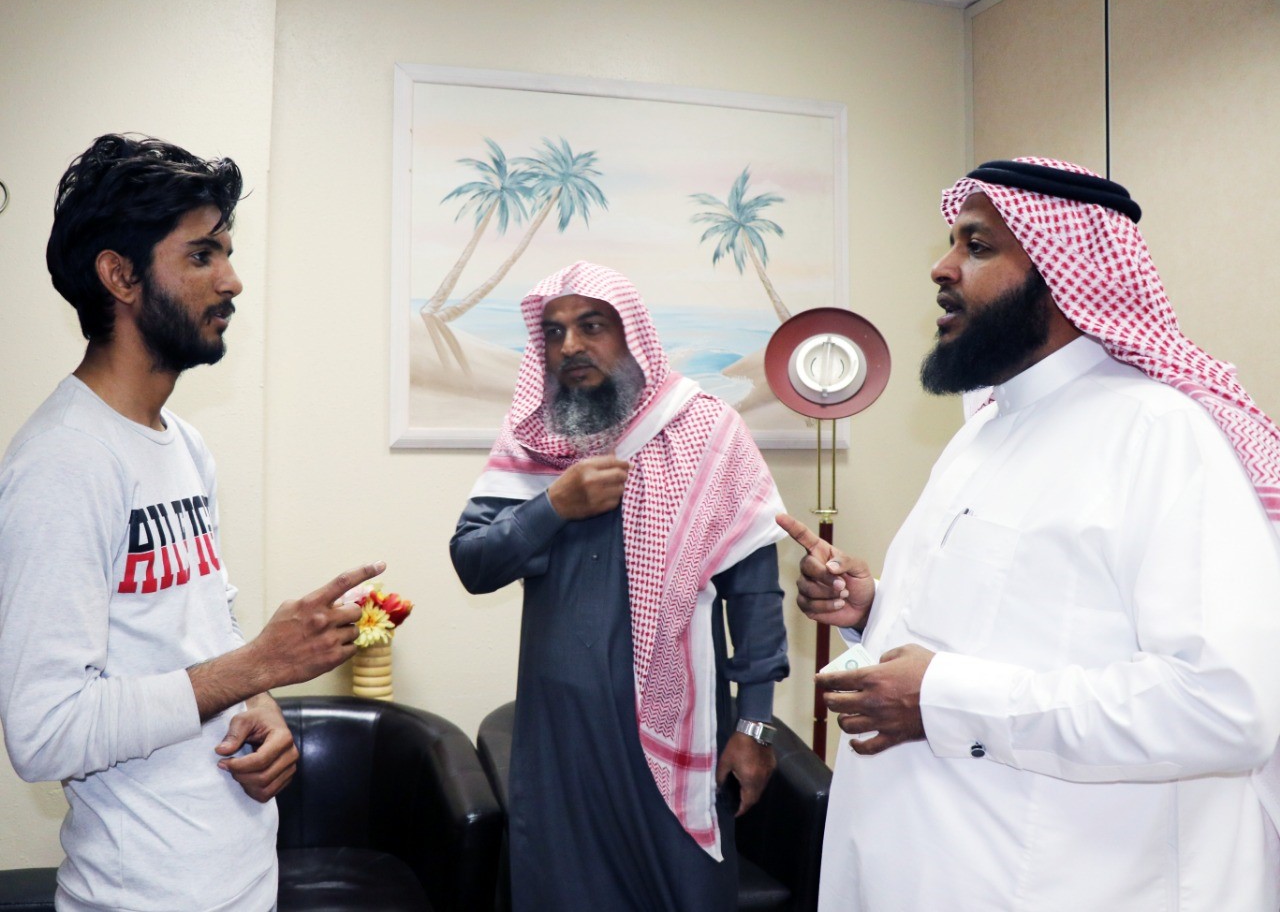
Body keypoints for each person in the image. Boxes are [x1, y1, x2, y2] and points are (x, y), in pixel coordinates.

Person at [779, 157, 1280, 911]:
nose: (942, 267)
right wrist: (873, 606)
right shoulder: (984, 429)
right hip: (917, 869)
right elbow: (1009, 624)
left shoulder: (1159, 434)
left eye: (978, 246)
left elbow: (1223, 707)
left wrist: (946, 698)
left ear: (1064, 273)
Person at [0, 133, 384, 912]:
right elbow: (43, 733)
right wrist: (257, 667)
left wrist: (258, 702)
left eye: (227, 254)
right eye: (202, 255)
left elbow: (196, 633)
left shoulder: (185, 445)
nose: (232, 281)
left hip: (241, 884)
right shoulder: (62, 463)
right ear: (120, 275)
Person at [451, 260, 789, 911]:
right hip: (559, 737)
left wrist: (756, 725)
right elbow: (473, 563)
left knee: (685, 892)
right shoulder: (534, 440)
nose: (570, 346)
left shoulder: (709, 432)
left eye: (591, 326)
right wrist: (554, 505)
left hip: (680, 725)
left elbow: (755, 594)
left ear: (632, 334)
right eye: (554, 332)